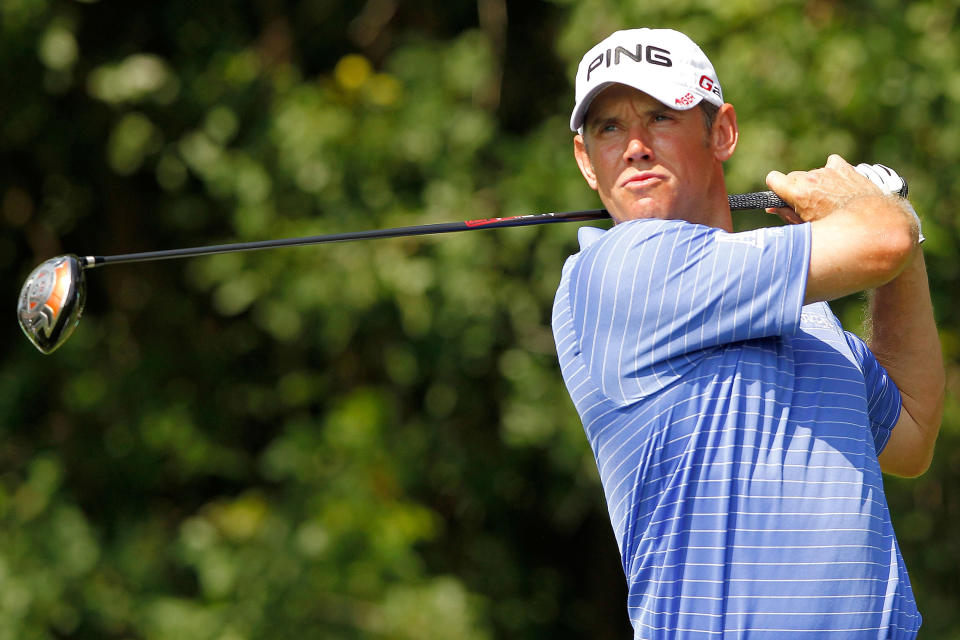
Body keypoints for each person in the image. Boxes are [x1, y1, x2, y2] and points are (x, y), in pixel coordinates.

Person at [551, 27, 944, 638]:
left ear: (722, 131)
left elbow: (912, 436)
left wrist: (905, 253)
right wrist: (874, 209)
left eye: (660, 117)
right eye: (608, 128)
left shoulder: (807, 315)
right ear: (585, 160)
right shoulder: (618, 271)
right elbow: (880, 239)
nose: (633, 147)